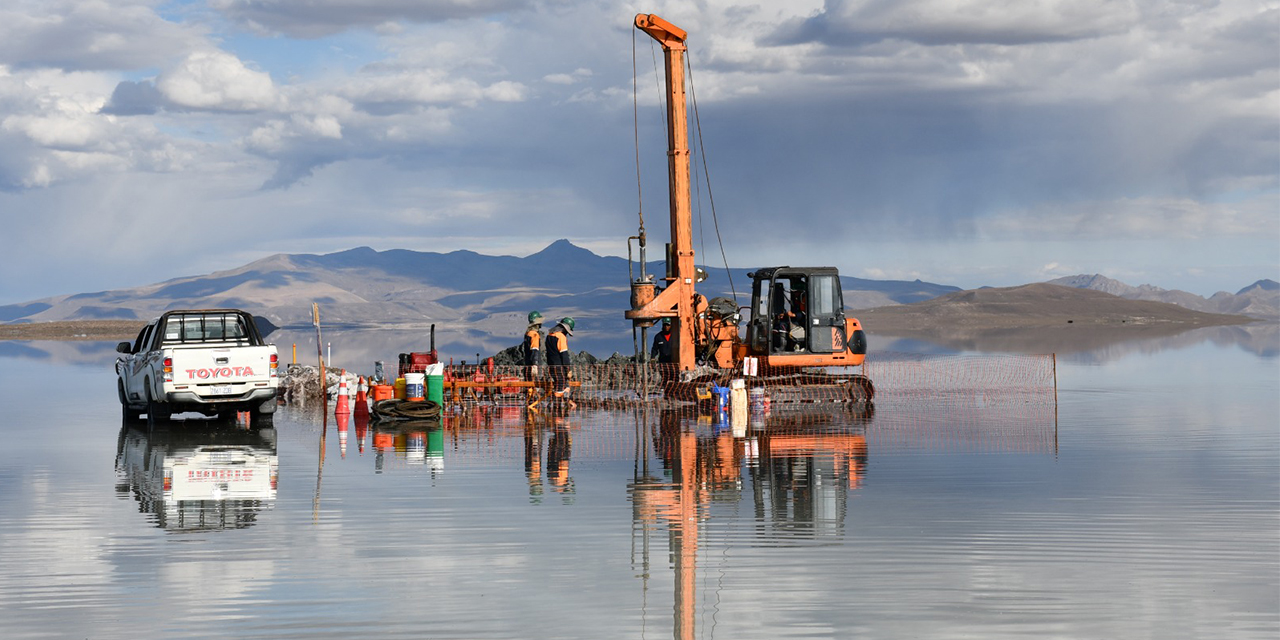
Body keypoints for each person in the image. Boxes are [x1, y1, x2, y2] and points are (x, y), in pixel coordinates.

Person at [545, 317, 575, 399]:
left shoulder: (549, 335)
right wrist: (568, 369)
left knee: (558, 385)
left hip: (551, 366)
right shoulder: (561, 337)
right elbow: (564, 355)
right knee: (561, 385)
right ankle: (557, 406)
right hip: (559, 367)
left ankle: (556, 404)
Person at [522, 311, 544, 381]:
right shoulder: (534, 334)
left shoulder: (528, 333)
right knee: (536, 384)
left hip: (527, 363)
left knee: (529, 384)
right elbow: (535, 350)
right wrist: (535, 364)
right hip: (534, 365)